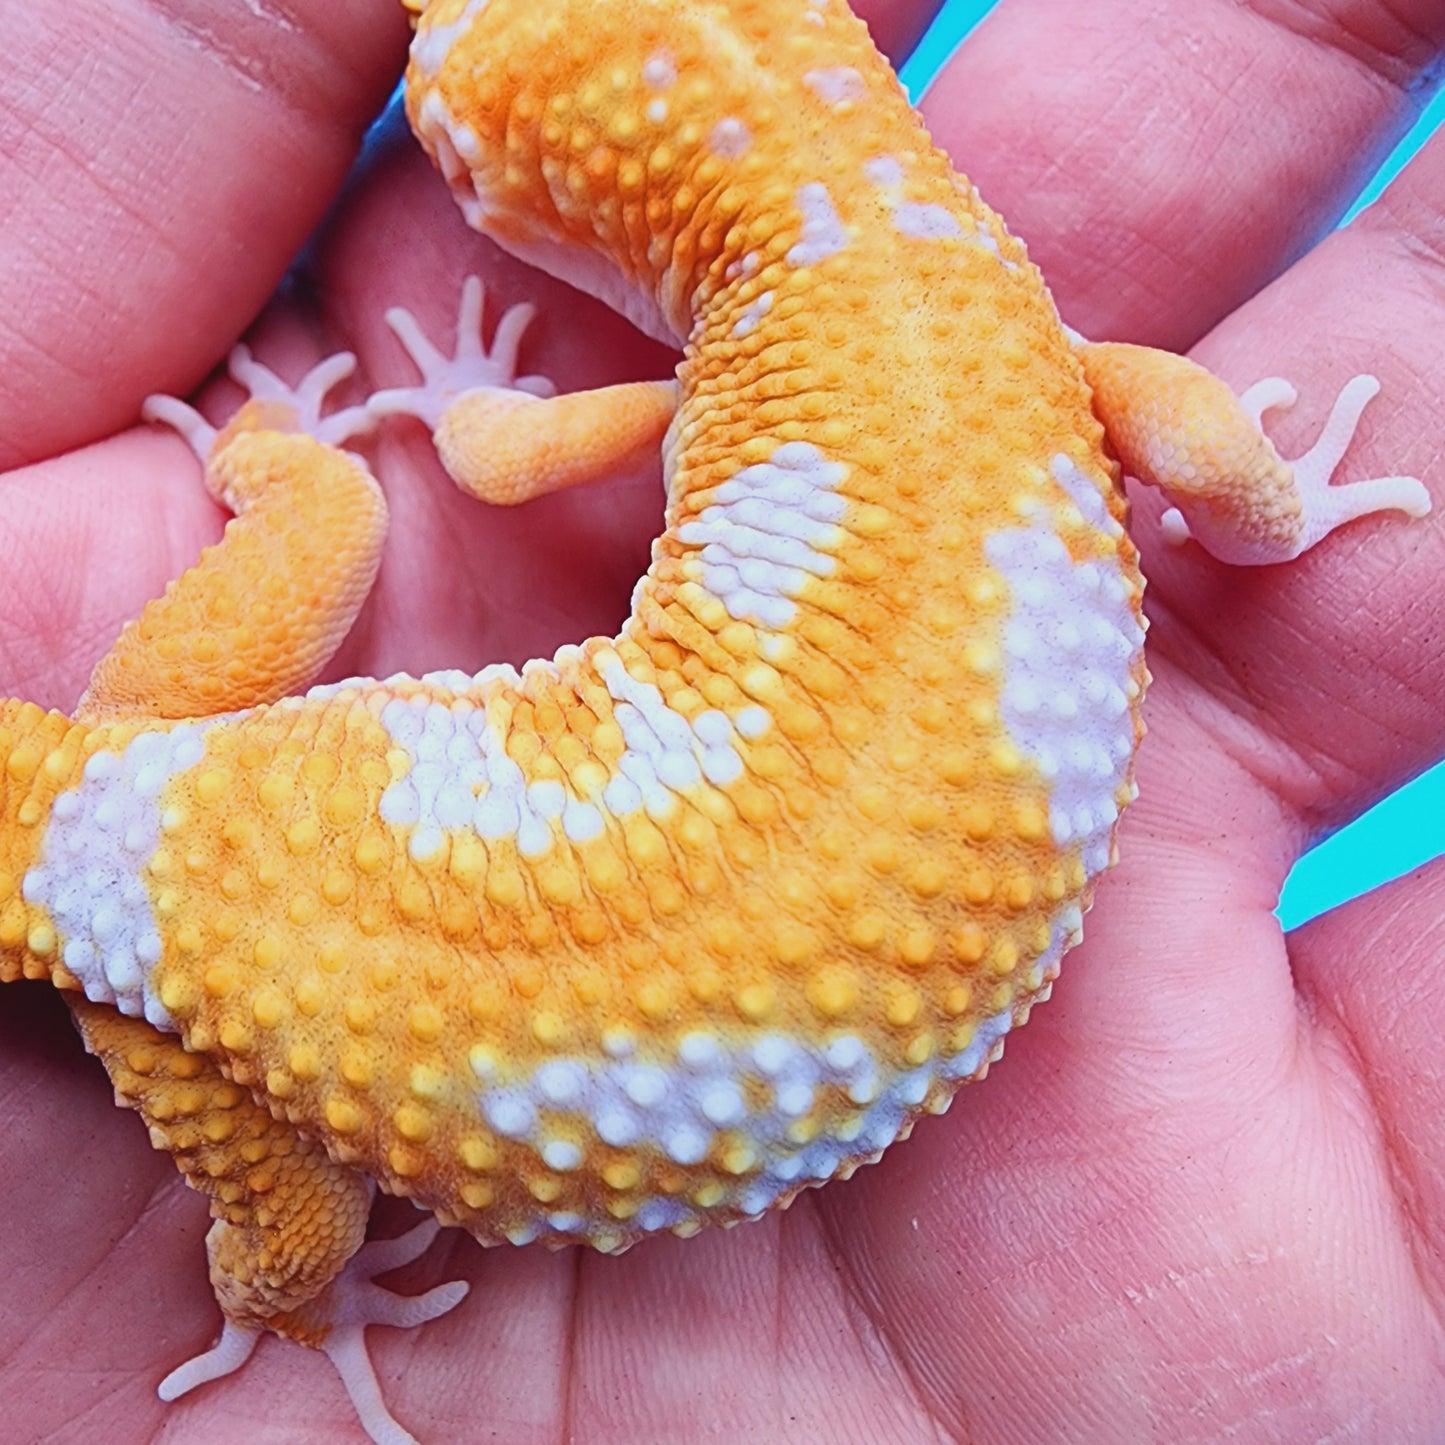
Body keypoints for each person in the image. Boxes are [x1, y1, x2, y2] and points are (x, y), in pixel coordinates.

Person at [1, 0, 1442, 1438]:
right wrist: (1283, 512)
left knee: (293, 1240)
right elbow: (1199, 450)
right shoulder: (1018, 348)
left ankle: (282, 473)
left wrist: (295, 1288)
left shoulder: (742, 387)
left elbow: (496, 455)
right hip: (320, 931)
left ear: (545, 202)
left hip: (274, 891)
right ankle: (292, 478)